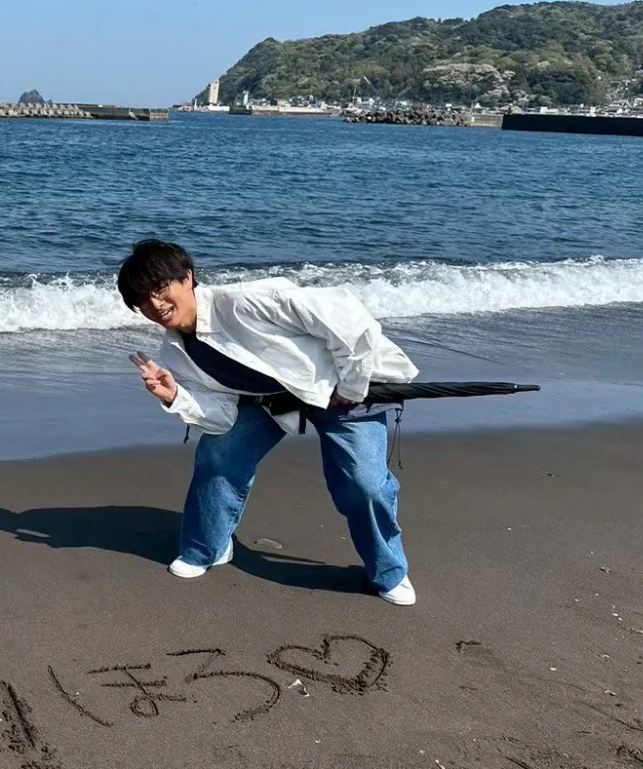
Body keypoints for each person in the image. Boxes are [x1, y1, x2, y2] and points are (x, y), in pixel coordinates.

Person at [118, 239, 420, 605]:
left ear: (188, 278)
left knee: (364, 483)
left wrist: (352, 386)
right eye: (142, 300)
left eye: (159, 288)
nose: (154, 304)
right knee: (219, 455)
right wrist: (176, 396)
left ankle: (388, 572)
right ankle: (208, 547)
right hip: (268, 402)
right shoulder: (174, 355)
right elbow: (222, 415)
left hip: (342, 386)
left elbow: (349, 321)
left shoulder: (247, 301)